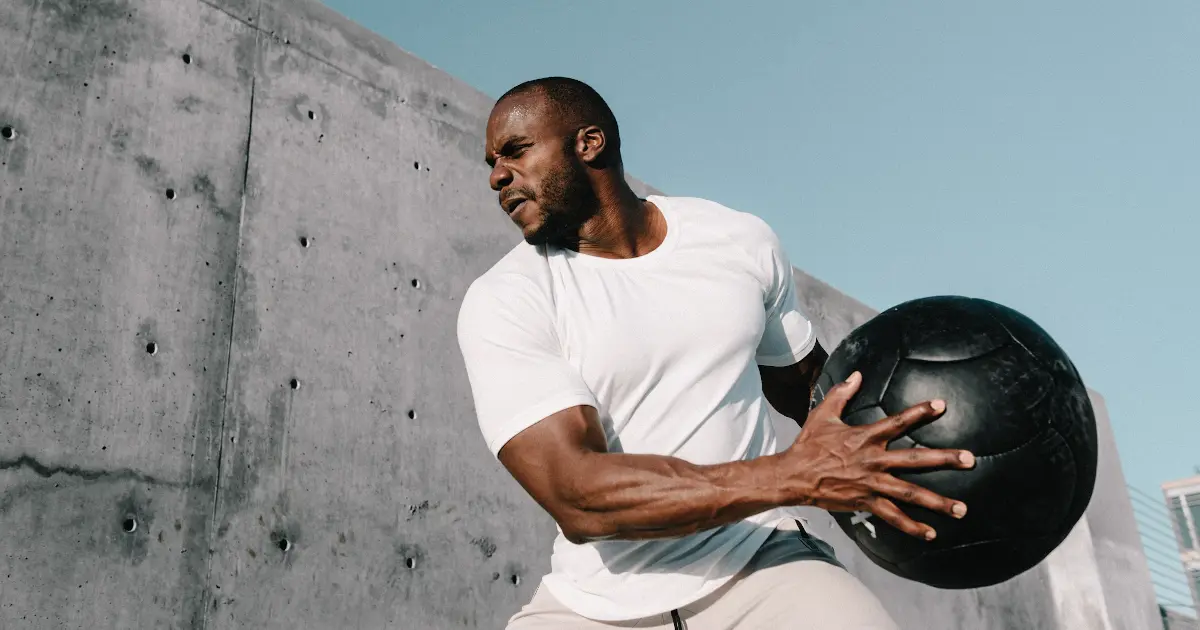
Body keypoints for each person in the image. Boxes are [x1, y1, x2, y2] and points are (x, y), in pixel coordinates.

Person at [455, 77, 976, 629]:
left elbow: (815, 393)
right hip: (597, 602)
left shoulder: (736, 241)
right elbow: (577, 495)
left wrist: (930, 458)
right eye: (491, 163)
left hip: (761, 565)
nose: (496, 177)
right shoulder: (507, 299)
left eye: (515, 151)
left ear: (589, 143)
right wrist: (793, 476)